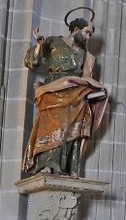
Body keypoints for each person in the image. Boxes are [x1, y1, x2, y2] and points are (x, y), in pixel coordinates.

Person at [23, 14, 110, 176]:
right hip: (53, 89)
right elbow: (31, 62)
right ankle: (47, 164)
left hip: (75, 91)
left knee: (75, 123)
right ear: (76, 29)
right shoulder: (53, 42)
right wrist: (39, 45)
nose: (87, 37)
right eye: (86, 32)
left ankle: (68, 166)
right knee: (52, 124)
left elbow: (86, 78)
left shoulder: (85, 55)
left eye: (90, 34)